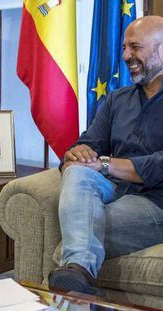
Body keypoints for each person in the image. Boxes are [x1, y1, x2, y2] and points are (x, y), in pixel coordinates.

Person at [48, 15, 163, 296]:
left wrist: (106, 163)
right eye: (124, 47)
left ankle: (77, 270)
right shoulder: (117, 99)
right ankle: (79, 272)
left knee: (75, 237)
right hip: (114, 189)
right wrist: (77, 154)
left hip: (156, 201)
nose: (126, 55)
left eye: (135, 47)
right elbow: (88, 143)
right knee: (77, 171)